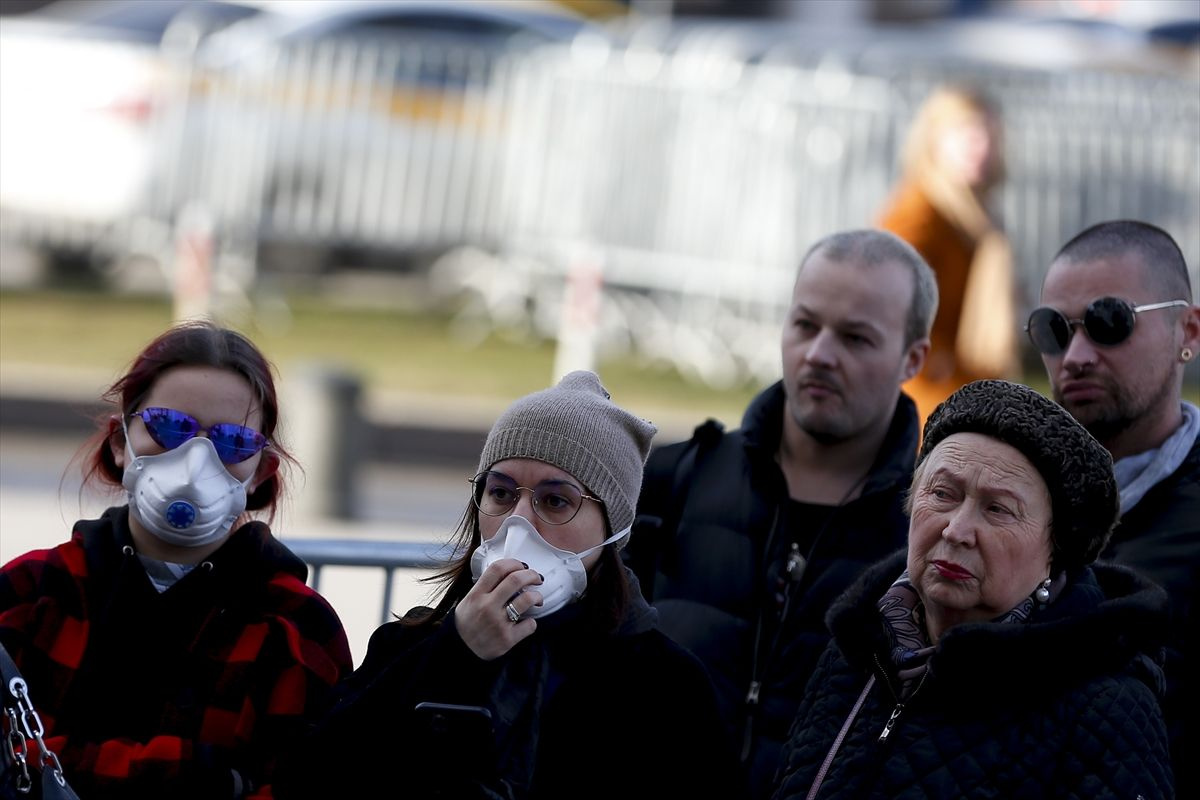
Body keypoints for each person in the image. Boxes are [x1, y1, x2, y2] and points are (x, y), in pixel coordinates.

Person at [276, 371, 739, 799]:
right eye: (500, 493)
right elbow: (311, 777)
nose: (518, 522)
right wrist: (456, 653)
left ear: (612, 530)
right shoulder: (410, 645)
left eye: (555, 501)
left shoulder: (667, 685)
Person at [624, 229, 937, 798]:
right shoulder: (670, 482)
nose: (819, 353)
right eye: (804, 324)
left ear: (912, 358)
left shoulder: (928, 534)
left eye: (856, 337)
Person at [773, 379, 1174, 800]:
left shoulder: (1105, 709)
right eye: (943, 493)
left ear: (1056, 550)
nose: (957, 529)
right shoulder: (855, 651)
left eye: (998, 509)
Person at [0, 321, 352, 799]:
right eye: (168, 427)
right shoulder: (31, 593)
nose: (195, 460)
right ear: (121, 442)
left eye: (231, 441)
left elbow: (309, 783)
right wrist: (203, 776)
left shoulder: (296, 627)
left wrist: (71, 763)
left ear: (259, 471)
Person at [1032, 219, 1200, 796]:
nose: (1075, 356)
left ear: (1189, 331)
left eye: (1109, 322)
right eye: (1053, 329)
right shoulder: (1003, 497)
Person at [878, 84, 1017, 424]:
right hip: (924, 406)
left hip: (967, 393)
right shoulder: (916, 216)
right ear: (933, 142)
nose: (981, 147)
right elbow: (888, 310)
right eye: (967, 134)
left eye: (989, 135)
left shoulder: (974, 217)